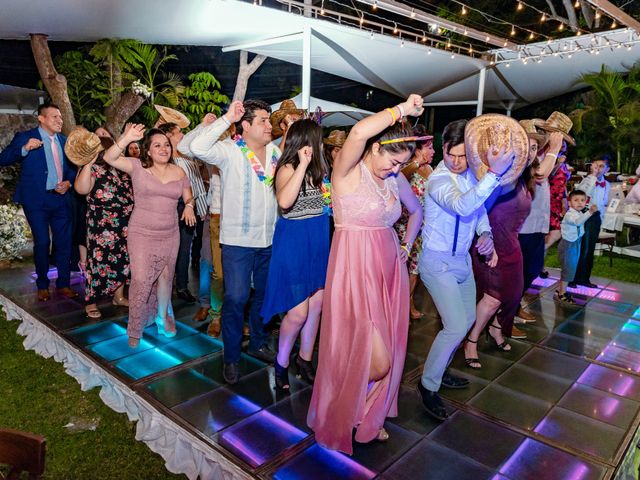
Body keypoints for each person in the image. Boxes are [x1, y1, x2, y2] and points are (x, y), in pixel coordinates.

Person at [307, 95, 424, 454]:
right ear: (376, 148)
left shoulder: (394, 179)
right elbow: (357, 131)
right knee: (372, 357)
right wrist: (402, 110)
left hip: (389, 267)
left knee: (388, 347)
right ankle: (341, 408)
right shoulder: (346, 171)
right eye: (392, 160)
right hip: (353, 269)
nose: (395, 169)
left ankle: (364, 412)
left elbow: (416, 211)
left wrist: (405, 248)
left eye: (403, 164)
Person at [416, 118, 514, 421]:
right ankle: (427, 385)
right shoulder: (437, 180)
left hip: (461, 262)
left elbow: (479, 211)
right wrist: (494, 174)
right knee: (457, 325)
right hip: (437, 261)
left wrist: (486, 236)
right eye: (450, 154)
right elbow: (460, 206)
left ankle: (441, 369)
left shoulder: (473, 175)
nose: (456, 162)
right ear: (442, 149)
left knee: (469, 318)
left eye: (462, 156)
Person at [189, 99, 279, 384]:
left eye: (269, 119)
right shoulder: (229, 151)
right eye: (263, 120)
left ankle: (258, 342)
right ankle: (231, 356)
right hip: (238, 240)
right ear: (246, 125)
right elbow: (196, 148)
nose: (269, 125)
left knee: (264, 296)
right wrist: (227, 118)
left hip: (270, 238)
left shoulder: (276, 152)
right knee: (236, 297)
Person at [102, 124, 196, 347]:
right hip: (142, 233)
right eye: (157, 145)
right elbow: (109, 157)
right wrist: (126, 137)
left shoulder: (180, 171)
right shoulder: (136, 166)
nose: (163, 149)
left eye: (166, 145)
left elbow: (188, 197)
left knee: (165, 277)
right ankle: (134, 327)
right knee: (142, 279)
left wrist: (190, 206)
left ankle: (163, 317)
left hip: (170, 233)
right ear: (148, 150)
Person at [465, 119, 543, 369]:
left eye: (533, 148)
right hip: (492, 245)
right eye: (526, 147)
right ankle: (471, 340)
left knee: (511, 295)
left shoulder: (523, 178)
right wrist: (487, 242)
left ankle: (497, 329)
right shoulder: (500, 178)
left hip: (512, 245)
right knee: (492, 298)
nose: (529, 153)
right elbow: (481, 210)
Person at [261, 119, 331, 390]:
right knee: (298, 313)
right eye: (318, 140)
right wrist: (301, 165)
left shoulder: (320, 172)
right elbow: (285, 202)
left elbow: (326, 206)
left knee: (316, 306)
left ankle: (305, 359)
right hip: (293, 245)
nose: (322, 145)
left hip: (317, 243)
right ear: (306, 143)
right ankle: (281, 362)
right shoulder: (287, 168)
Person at [0, 103, 77, 301]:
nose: (60, 120)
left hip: (61, 199)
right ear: (41, 119)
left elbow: (72, 168)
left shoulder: (64, 140)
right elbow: (4, 158)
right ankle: (42, 284)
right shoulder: (25, 137)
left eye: (60, 117)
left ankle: (64, 284)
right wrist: (25, 149)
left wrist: (68, 182)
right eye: (55, 117)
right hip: (36, 201)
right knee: (42, 242)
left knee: (64, 243)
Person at [515, 112, 571, 325]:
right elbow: (539, 175)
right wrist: (554, 151)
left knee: (534, 268)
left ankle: (515, 304)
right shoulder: (525, 158)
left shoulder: (543, 156)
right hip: (521, 227)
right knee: (521, 271)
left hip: (536, 225)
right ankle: (506, 314)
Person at [71, 129, 133, 319]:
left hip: (125, 224)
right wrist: (88, 163)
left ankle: (118, 297)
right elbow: (81, 189)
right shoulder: (93, 169)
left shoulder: (123, 169)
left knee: (123, 261)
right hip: (101, 226)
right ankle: (91, 302)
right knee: (97, 262)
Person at [178, 113, 226, 335]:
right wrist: (203, 125)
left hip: (237, 217)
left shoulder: (239, 149)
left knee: (228, 269)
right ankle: (207, 306)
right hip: (213, 214)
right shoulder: (211, 150)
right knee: (207, 262)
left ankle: (221, 312)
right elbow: (184, 147)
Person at [159, 122, 208, 303]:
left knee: (185, 248)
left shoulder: (188, 154)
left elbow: (197, 184)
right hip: (174, 207)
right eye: (179, 132)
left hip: (191, 206)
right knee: (170, 249)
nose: (182, 135)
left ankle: (182, 286)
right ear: (169, 136)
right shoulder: (167, 158)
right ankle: (165, 285)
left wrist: (200, 208)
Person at [393, 124, 434, 319]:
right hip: (404, 225)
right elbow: (399, 178)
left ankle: (407, 301)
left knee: (415, 269)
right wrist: (417, 163)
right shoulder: (403, 166)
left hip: (423, 226)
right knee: (405, 267)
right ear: (417, 149)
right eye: (429, 147)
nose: (433, 151)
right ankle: (403, 304)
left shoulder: (430, 169)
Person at [571, 155, 611, 288]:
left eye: (601, 167)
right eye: (596, 166)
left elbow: (604, 203)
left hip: (596, 218)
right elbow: (583, 194)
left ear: (607, 169)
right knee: (582, 247)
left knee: (590, 248)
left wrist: (601, 217)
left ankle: (584, 278)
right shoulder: (587, 180)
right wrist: (593, 176)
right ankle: (573, 278)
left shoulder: (607, 184)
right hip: (585, 215)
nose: (598, 169)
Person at [556, 190, 597, 303]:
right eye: (576, 200)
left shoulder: (578, 213)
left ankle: (561, 290)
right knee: (568, 269)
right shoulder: (569, 215)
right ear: (569, 203)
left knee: (571, 268)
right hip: (568, 245)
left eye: (582, 200)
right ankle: (561, 294)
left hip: (576, 242)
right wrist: (589, 213)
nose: (580, 203)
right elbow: (578, 222)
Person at [540, 147, 570, 278]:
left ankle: (539, 263)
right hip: (547, 203)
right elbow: (546, 177)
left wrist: (565, 201)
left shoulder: (563, 167)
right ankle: (538, 263)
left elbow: (563, 185)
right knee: (553, 234)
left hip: (557, 204)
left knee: (549, 237)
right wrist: (557, 163)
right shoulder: (549, 162)